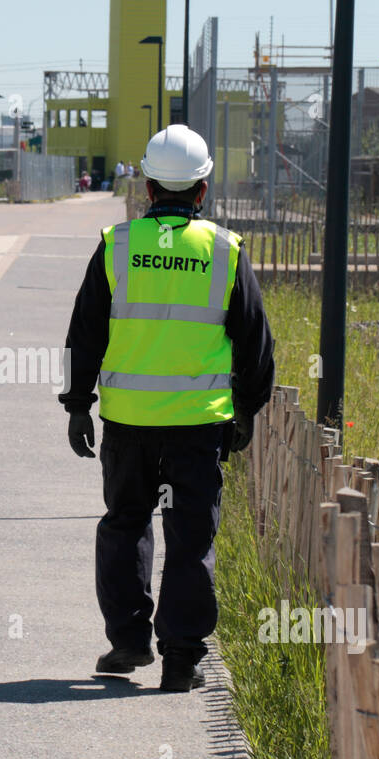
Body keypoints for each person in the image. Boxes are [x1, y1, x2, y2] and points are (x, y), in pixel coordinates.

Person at [58, 124, 276, 692]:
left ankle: (129, 641)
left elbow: (84, 334)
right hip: (198, 425)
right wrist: (246, 410)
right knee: (190, 536)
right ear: (202, 189)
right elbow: (255, 342)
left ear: (148, 187)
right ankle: (182, 656)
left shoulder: (117, 245)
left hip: (128, 422)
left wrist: (78, 404)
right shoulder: (225, 252)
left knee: (125, 526)